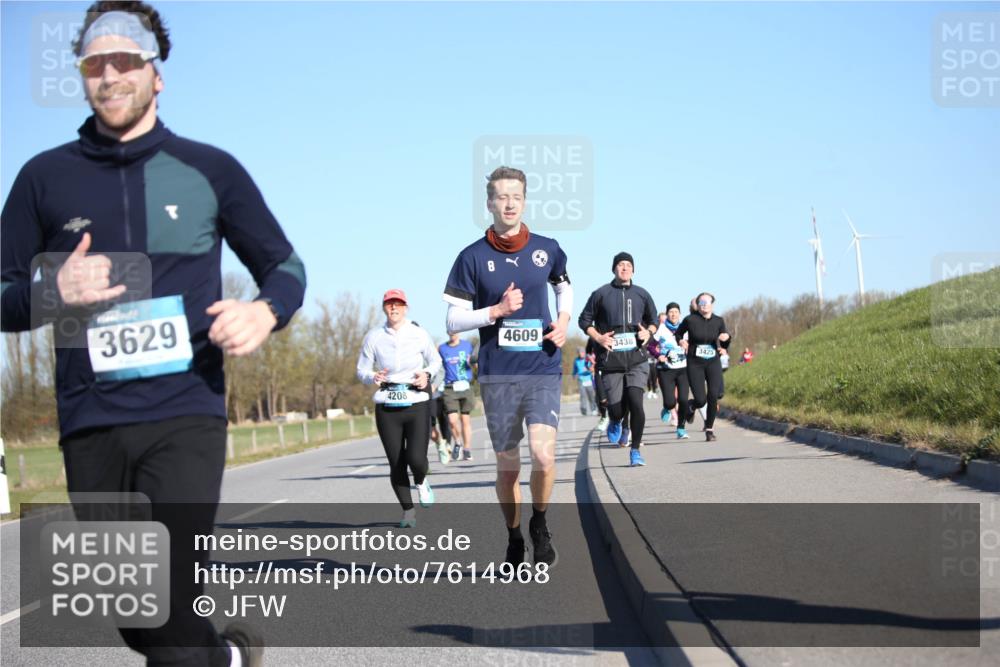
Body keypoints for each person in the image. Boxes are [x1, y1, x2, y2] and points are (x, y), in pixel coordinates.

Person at [0, 4, 308, 665]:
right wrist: (51, 291)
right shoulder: (42, 178)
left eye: (126, 61)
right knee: (133, 611)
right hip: (90, 419)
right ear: (82, 75)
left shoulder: (209, 170)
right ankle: (223, 655)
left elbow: (284, 265)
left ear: (155, 74)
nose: (109, 75)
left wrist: (265, 311)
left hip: (185, 412)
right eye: (93, 64)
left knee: (167, 609)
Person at [443, 166, 571, 567]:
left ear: (525, 200)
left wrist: (564, 320)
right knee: (508, 468)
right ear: (489, 204)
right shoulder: (471, 257)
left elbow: (563, 285)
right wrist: (496, 311)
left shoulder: (547, 248)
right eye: (501, 196)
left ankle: (540, 523)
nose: (509, 203)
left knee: (544, 456)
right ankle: (514, 537)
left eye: (516, 196)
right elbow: (452, 321)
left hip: (542, 368)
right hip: (498, 373)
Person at [357, 290, 441, 527]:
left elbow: (435, 361)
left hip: (416, 401)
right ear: (384, 308)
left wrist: (426, 374)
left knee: (416, 458)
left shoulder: (418, 333)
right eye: (389, 304)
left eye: (398, 304)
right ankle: (408, 512)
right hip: (387, 404)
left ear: (406, 308)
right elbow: (361, 370)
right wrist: (372, 376)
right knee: (396, 462)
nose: (394, 308)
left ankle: (422, 480)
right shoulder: (373, 337)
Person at [579, 252, 658, 466]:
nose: (624, 268)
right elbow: (583, 320)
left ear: (633, 269)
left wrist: (648, 333)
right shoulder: (601, 294)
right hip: (611, 360)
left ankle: (635, 451)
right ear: (614, 269)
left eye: (628, 265)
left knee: (636, 403)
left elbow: (653, 320)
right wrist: (598, 337)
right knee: (615, 408)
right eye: (620, 265)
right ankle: (616, 420)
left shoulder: (642, 294)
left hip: (637, 359)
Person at [676, 293, 731, 442]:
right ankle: (692, 406)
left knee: (713, 395)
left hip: (713, 361)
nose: (704, 304)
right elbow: (678, 333)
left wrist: (725, 342)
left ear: (712, 304)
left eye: (707, 302)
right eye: (701, 302)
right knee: (701, 400)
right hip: (695, 363)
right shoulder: (690, 320)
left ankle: (709, 429)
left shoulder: (719, 321)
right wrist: (681, 341)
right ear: (698, 305)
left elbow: (725, 341)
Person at [647, 302, 691, 439]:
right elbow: (650, 346)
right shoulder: (661, 329)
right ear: (667, 314)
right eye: (671, 312)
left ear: (680, 314)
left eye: (676, 312)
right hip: (666, 370)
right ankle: (667, 407)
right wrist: (658, 355)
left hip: (683, 369)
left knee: (683, 400)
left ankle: (681, 428)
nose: (673, 314)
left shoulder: (686, 329)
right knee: (670, 402)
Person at [439, 332, 477, 461]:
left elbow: (475, 362)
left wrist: (476, 364)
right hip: (450, 388)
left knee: (465, 420)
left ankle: (467, 449)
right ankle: (458, 442)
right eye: (450, 330)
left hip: (465, 385)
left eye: (455, 330)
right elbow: (435, 364)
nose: (453, 333)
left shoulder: (467, 346)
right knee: (452, 420)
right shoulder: (442, 348)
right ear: (448, 332)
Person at [428, 366, 452, 465]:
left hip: (437, 395)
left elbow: (441, 371)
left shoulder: (429, 353)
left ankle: (446, 445)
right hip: (418, 398)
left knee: (444, 422)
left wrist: (434, 385)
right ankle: (440, 444)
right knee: (429, 428)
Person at [572, 347, 598, 416]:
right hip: (581, 380)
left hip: (588, 379)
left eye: (583, 352)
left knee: (591, 395)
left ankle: (593, 409)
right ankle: (583, 410)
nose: (581, 354)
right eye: (580, 352)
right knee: (583, 396)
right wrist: (574, 375)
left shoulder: (587, 359)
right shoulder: (576, 360)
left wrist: (590, 370)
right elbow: (574, 369)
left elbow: (592, 368)